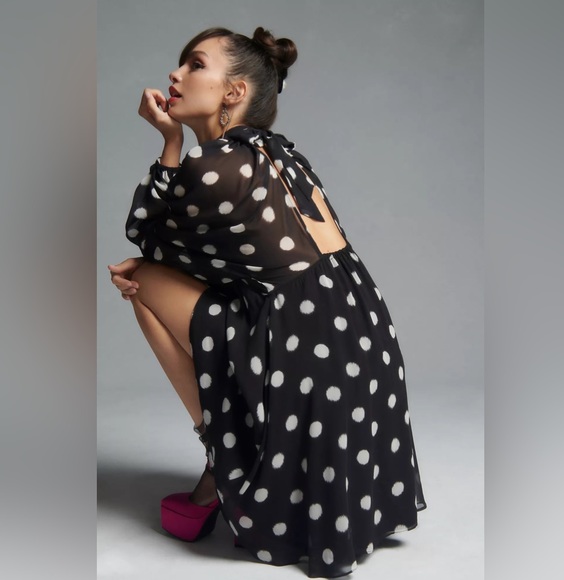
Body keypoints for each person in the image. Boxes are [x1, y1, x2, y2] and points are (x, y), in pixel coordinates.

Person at [108, 25, 426, 578]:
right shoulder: (278, 152)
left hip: (312, 351)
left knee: (143, 279)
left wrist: (169, 143)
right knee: (158, 274)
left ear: (233, 92)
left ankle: (219, 448)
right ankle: (230, 446)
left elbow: (146, 233)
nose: (175, 75)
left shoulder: (214, 165)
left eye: (194, 64)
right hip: (364, 341)